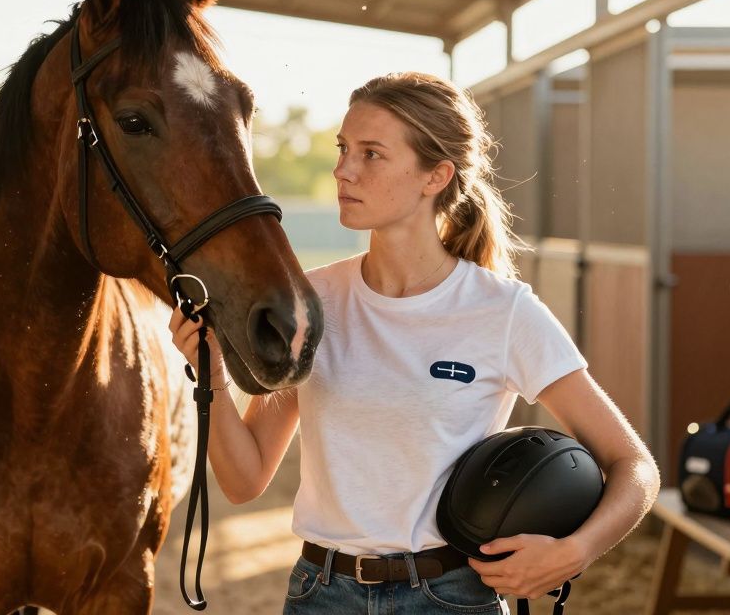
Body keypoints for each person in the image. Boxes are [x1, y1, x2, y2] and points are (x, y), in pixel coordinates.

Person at [169, 72, 661, 614]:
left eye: (372, 154)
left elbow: (634, 465)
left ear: (436, 176)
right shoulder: (314, 301)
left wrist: (572, 552)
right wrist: (210, 374)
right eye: (344, 148)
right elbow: (244, 480)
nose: (343, 170)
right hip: (320, 594)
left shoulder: (502, 311)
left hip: (450, 597)